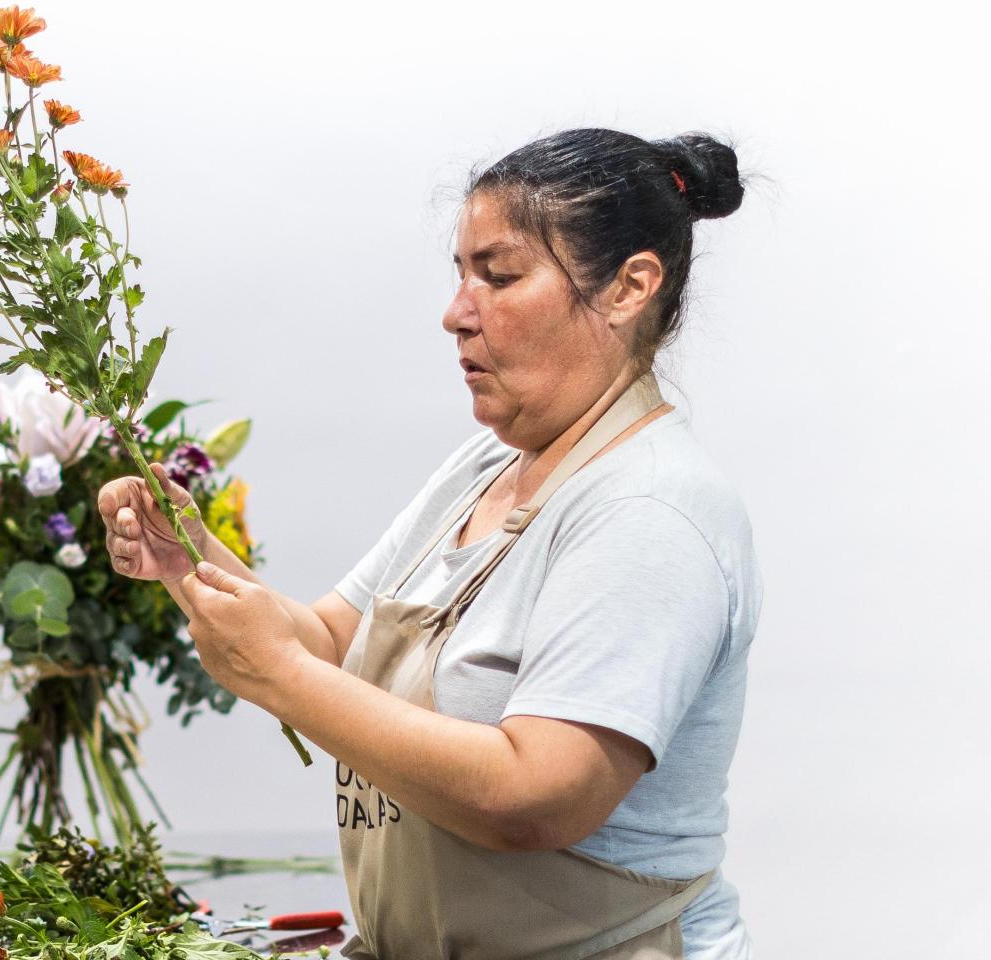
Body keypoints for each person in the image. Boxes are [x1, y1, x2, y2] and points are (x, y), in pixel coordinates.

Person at [97, 128, 762, 959]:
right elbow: (330, 643)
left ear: (629, 287)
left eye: (500, 276)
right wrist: (188, 556)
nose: (456, 313)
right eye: (461, 275)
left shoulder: (649, 509)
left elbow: (535, 798)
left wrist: (278, 675)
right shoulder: (487, 466)